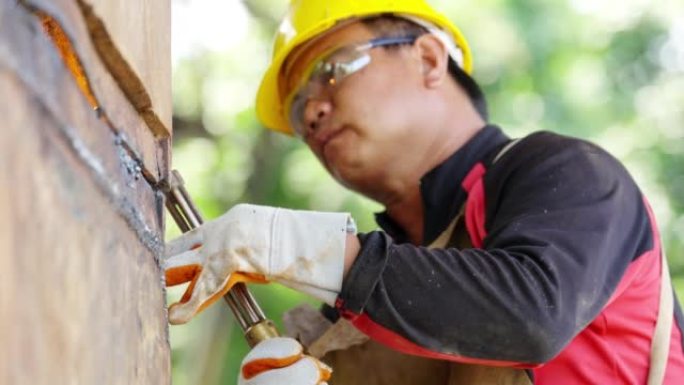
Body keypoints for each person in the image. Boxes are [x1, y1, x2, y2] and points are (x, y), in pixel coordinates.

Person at [163, 1, 684, 384]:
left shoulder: (566, 174)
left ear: (430, 59)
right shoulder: (346, 331)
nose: (313, 111)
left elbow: (530, 317)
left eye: (333, 71)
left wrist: (304, 248)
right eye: (298, 112)